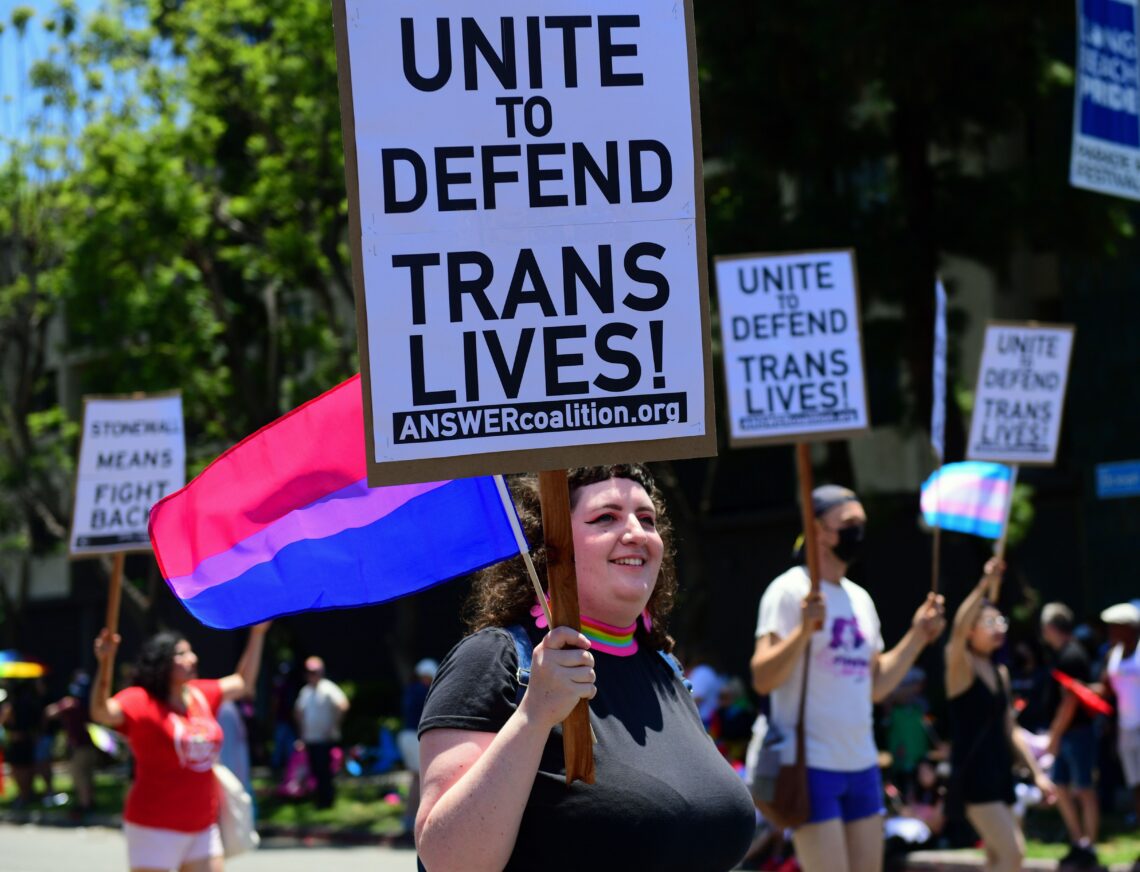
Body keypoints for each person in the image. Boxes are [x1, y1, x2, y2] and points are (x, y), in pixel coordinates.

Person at [415, 464, 756, 872]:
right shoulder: (496, 659)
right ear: (550, 543)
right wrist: (534, 716)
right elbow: (448, 860)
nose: (636, 533)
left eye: (646, 519)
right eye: (606, 517)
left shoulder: (665, 668)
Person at [749, 484, 946, 872]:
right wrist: (803, 632)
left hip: (862, 763)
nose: (859, 531)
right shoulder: (788, 590)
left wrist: (918, 636)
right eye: (848, 523)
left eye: (862, 523)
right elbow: (762, 677)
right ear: (818, 529)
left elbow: (876, 686)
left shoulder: (860, 598)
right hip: (809, 764)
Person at [90, 622, 269, 872]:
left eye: (191, 652)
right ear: (162, 662)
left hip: (202, 826)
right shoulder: (140, 700)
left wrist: (257, 633)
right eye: (181, 654)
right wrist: (105, 663)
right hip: (153, 829)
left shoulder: (199, 694)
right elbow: (101, 712)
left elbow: (243, 682)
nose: (192, 659)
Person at [945, 558, 1055, 872]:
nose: (998, 628)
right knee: (1014, 853)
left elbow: (1010, 729)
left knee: (997, 859)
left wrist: (1036, 773)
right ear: (972, 631)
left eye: (1000, 621)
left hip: (1000, 773)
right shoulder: (960, 668)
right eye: (989, 623)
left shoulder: (1001, 672)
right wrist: (983, 584)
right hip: (974, 776)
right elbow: (956, 632)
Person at [1042, 601, 1101, 867]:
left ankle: (1089, 846)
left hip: (1076, 734)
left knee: (1084, 790)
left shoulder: (1071, 655)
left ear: (1050, 627)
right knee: (1061, 789)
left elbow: (1070, 702)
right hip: (1068, 735)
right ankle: (1078, 842)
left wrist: (1054, 735)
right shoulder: (1061, 654)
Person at [1100, 602, 1140, 827]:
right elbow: (1106, 690)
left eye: (1116, 626)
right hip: (1125, 727)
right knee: (1135, 785)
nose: (1112, 632)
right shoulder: (1112, 655)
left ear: (1131, 627)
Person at [294, 655, 349, 809]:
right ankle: (320, 800)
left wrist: (333, 726)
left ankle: (327, 801)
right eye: (309, 671)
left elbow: (343, 705)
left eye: (315, 671)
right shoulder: (305, 691)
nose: (312, 674)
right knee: (316, 771)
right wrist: (301, 734)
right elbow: (298, 713)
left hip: (325, 738)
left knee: (325, 772)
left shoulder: (328, 688)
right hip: (310, 738)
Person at [44, 671, 97, 815]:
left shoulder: (70, 703)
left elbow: (49, 712)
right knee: (88, 775)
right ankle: (89, 802)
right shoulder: (92, 704)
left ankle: (84, 806)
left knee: (80, 776)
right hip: (90, 745)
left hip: (79, 746)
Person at [396, 657, 437, 840]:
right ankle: (415, 822)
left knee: (416, 778)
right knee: (422, 780)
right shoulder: (425, 691)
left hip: (406, 735)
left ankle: (411, 820)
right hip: (415, 736)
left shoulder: (411, 690)